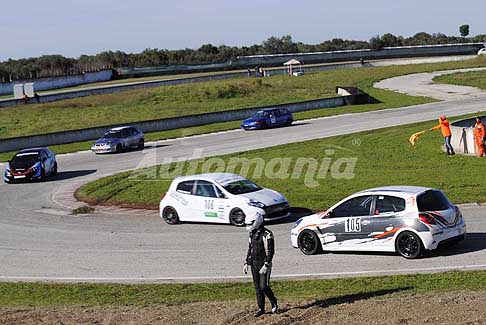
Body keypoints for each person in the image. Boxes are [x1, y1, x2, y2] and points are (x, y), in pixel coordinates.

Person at [243, 212, 278, 317]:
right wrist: (246, 262)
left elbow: (271, 251)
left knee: (264, 287)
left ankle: (273, 301)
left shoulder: (268, 234)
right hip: (254, 264)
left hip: (263, 264)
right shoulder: (251, 234)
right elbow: (250, 249)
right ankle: (261, 308)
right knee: (257, 288)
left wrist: (266, 264)